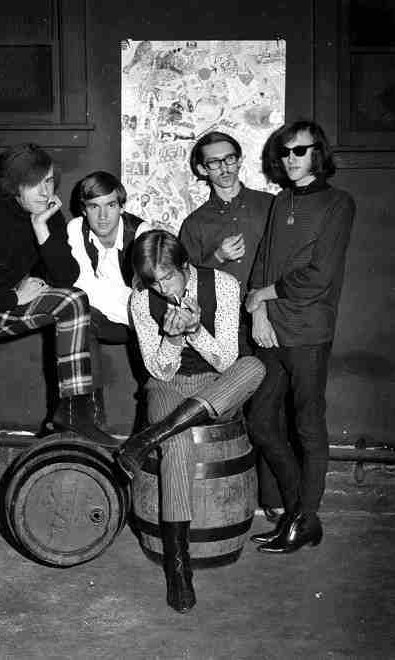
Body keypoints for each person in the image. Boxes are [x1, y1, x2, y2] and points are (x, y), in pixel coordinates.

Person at [0, 143, 120, 559]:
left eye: (50, 181)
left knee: (72, 301)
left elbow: (66, 276)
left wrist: (44, 229)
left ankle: (73, 411)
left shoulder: (43, 214)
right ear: (14, 186)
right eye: (36, 184)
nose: (47, 191)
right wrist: (15, 296)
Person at [114, 229, 266, 613]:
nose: (163, 289)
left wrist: (196, 331)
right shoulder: (141, 300)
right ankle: (178, 567)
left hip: (217, 386)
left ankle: (151, 436)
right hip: (169, 387)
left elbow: (228, 362)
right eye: (154, 282)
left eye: (168, 277)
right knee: (178, 444)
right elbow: (158, 371)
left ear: (185, 265)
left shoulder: (224, 285)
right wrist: (172, 339)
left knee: (253, 366)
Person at [245, 120, 355, 554]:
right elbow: (263, 261)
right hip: (272, 330)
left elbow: (319, 276)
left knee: (308, 426)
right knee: (261, 421)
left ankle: (305, 518)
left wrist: (264, 295)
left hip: (309, 331)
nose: (291, 159)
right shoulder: (281, 201)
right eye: (285, 152)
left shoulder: (338, 203)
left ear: (318, 153)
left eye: (300, 151)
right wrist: (258, 311)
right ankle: (298, 515)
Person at [179, 131, 282, 521]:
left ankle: (273, 498)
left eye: (229, 159)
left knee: (269, 413)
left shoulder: (269, 206)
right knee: (227, 415)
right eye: (213, 162)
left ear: (239, 160)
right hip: (223, 330)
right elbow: (185, 284)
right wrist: (217, 257)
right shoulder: (195, 223)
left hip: (270, 322)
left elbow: (286, 263)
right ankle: (228, 500)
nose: (223, 168)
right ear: (201, 169)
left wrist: (264, 307)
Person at [38, 171, 151, 435]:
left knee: (155, 377)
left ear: (121, 207)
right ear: (83, 209)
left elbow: (149, 301)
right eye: (93, 207)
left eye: (110, 205)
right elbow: (75, 284)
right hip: (103, 317)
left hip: (143, 320)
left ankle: (148, 434)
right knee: (78, 315)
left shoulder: (142, 234)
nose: (102, 216)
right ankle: (88, 419)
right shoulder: (75, 229)